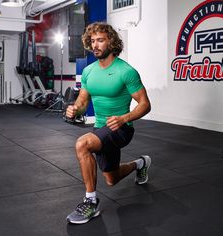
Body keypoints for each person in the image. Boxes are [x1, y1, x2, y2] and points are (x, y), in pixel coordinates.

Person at [66, 22, 151, 224]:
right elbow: (83, 101)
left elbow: (145, 104)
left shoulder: (126, 71)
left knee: (82, 144)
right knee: (112, 179)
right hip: (100, 129)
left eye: (100, 40)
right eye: (93, 41)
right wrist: (75, 108)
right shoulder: (88, 71)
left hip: (121, 128)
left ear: (111, 42)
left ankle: (91, 203)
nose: (95, 45)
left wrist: (125, 118)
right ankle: (141, 163)